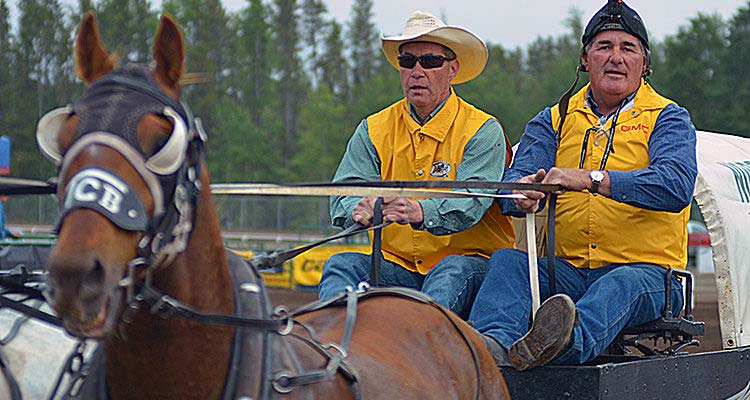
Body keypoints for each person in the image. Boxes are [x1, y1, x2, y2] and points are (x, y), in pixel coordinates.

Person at [470, 0, 697, 369]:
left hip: (650, 275)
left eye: (628, 48)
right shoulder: (553, 119)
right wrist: (522, 193)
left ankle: (559, 347)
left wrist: (591, 179)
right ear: (585, 58)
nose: (616, 57)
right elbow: (511, 183)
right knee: (508, 262)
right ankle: (488, 356)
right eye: (604, 47)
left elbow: (675, 185)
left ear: (644, 63)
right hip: (566, 272)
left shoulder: (669, 118)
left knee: (620, 284)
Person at [318, 11, 516, 319]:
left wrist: (420, 211)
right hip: (395, 265)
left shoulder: (483, 130)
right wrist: (359, 207)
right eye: (407, 61)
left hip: (469, 262)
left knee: (450, 273)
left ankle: (415, 356)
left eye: (431, 61)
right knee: (341, 265)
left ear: (453, 69)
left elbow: (472, 202)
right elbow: (343, 195)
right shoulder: (372, 128)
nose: (417, 71)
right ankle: (331, 354)